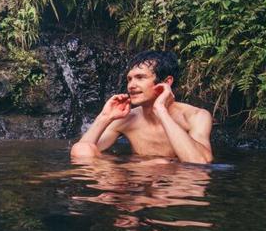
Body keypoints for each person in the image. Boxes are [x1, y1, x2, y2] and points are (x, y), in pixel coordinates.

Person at [70, 50, 213, 164]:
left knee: (162, 164)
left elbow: (200, 162)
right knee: (81, 148)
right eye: (129, 79)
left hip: (171, 188)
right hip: (131, 180)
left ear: (166, 82)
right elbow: (81, 155)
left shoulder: (196, 116)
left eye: (140, 77)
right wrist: (105, 117)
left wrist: (161, 110)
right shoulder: (127, 118)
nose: (131, 85)